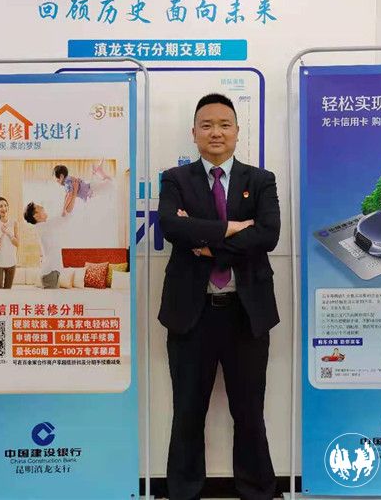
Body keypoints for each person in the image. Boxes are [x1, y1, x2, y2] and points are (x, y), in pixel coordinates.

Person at [158, 93, 280, 500]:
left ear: (237, 132)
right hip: (191, 315)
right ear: (193, 132)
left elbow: (267, 235)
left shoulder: (260, 180)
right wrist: (230, 229)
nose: (216, 132)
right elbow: (172, 229)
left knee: (249, 412)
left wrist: (207, 243)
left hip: (246, 315)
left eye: (224, 125)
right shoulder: (175, 180)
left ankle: (258, 490)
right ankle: (183, 491)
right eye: (207, 125)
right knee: (187, 412)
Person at [23, 200, 73, 289]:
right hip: (50, 273)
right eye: (38, 207)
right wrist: (73, 195)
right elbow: (65, 215)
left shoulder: (45, 226)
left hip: (52, 271)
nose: (42, 207)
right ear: (36, 216)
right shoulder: (43, 227)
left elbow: (64, 213)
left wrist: (71, 195)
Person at [0, 197, 18, 289]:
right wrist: (2, 234)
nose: (4, 208)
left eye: (5, 205)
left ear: (8, 207)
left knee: (7, 292)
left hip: (11, 262)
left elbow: (17, 243)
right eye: (1, 206)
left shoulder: (14, 223)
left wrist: (9, 233)